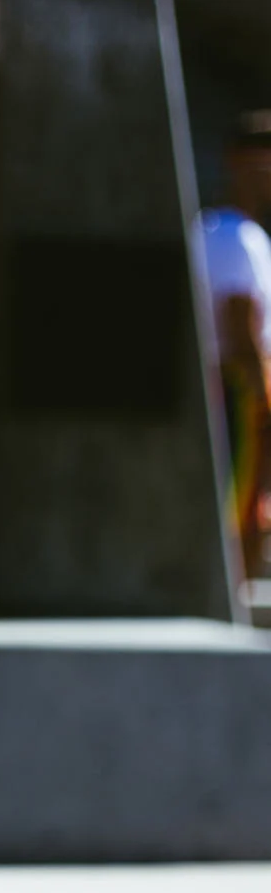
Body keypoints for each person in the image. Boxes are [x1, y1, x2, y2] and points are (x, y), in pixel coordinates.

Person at [200, 111, 271, 578]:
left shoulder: (235, 232)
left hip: (234, 396)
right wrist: (265, 404)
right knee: (242, 520)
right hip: (241, 399)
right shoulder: (234, 235)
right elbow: (240, 331)